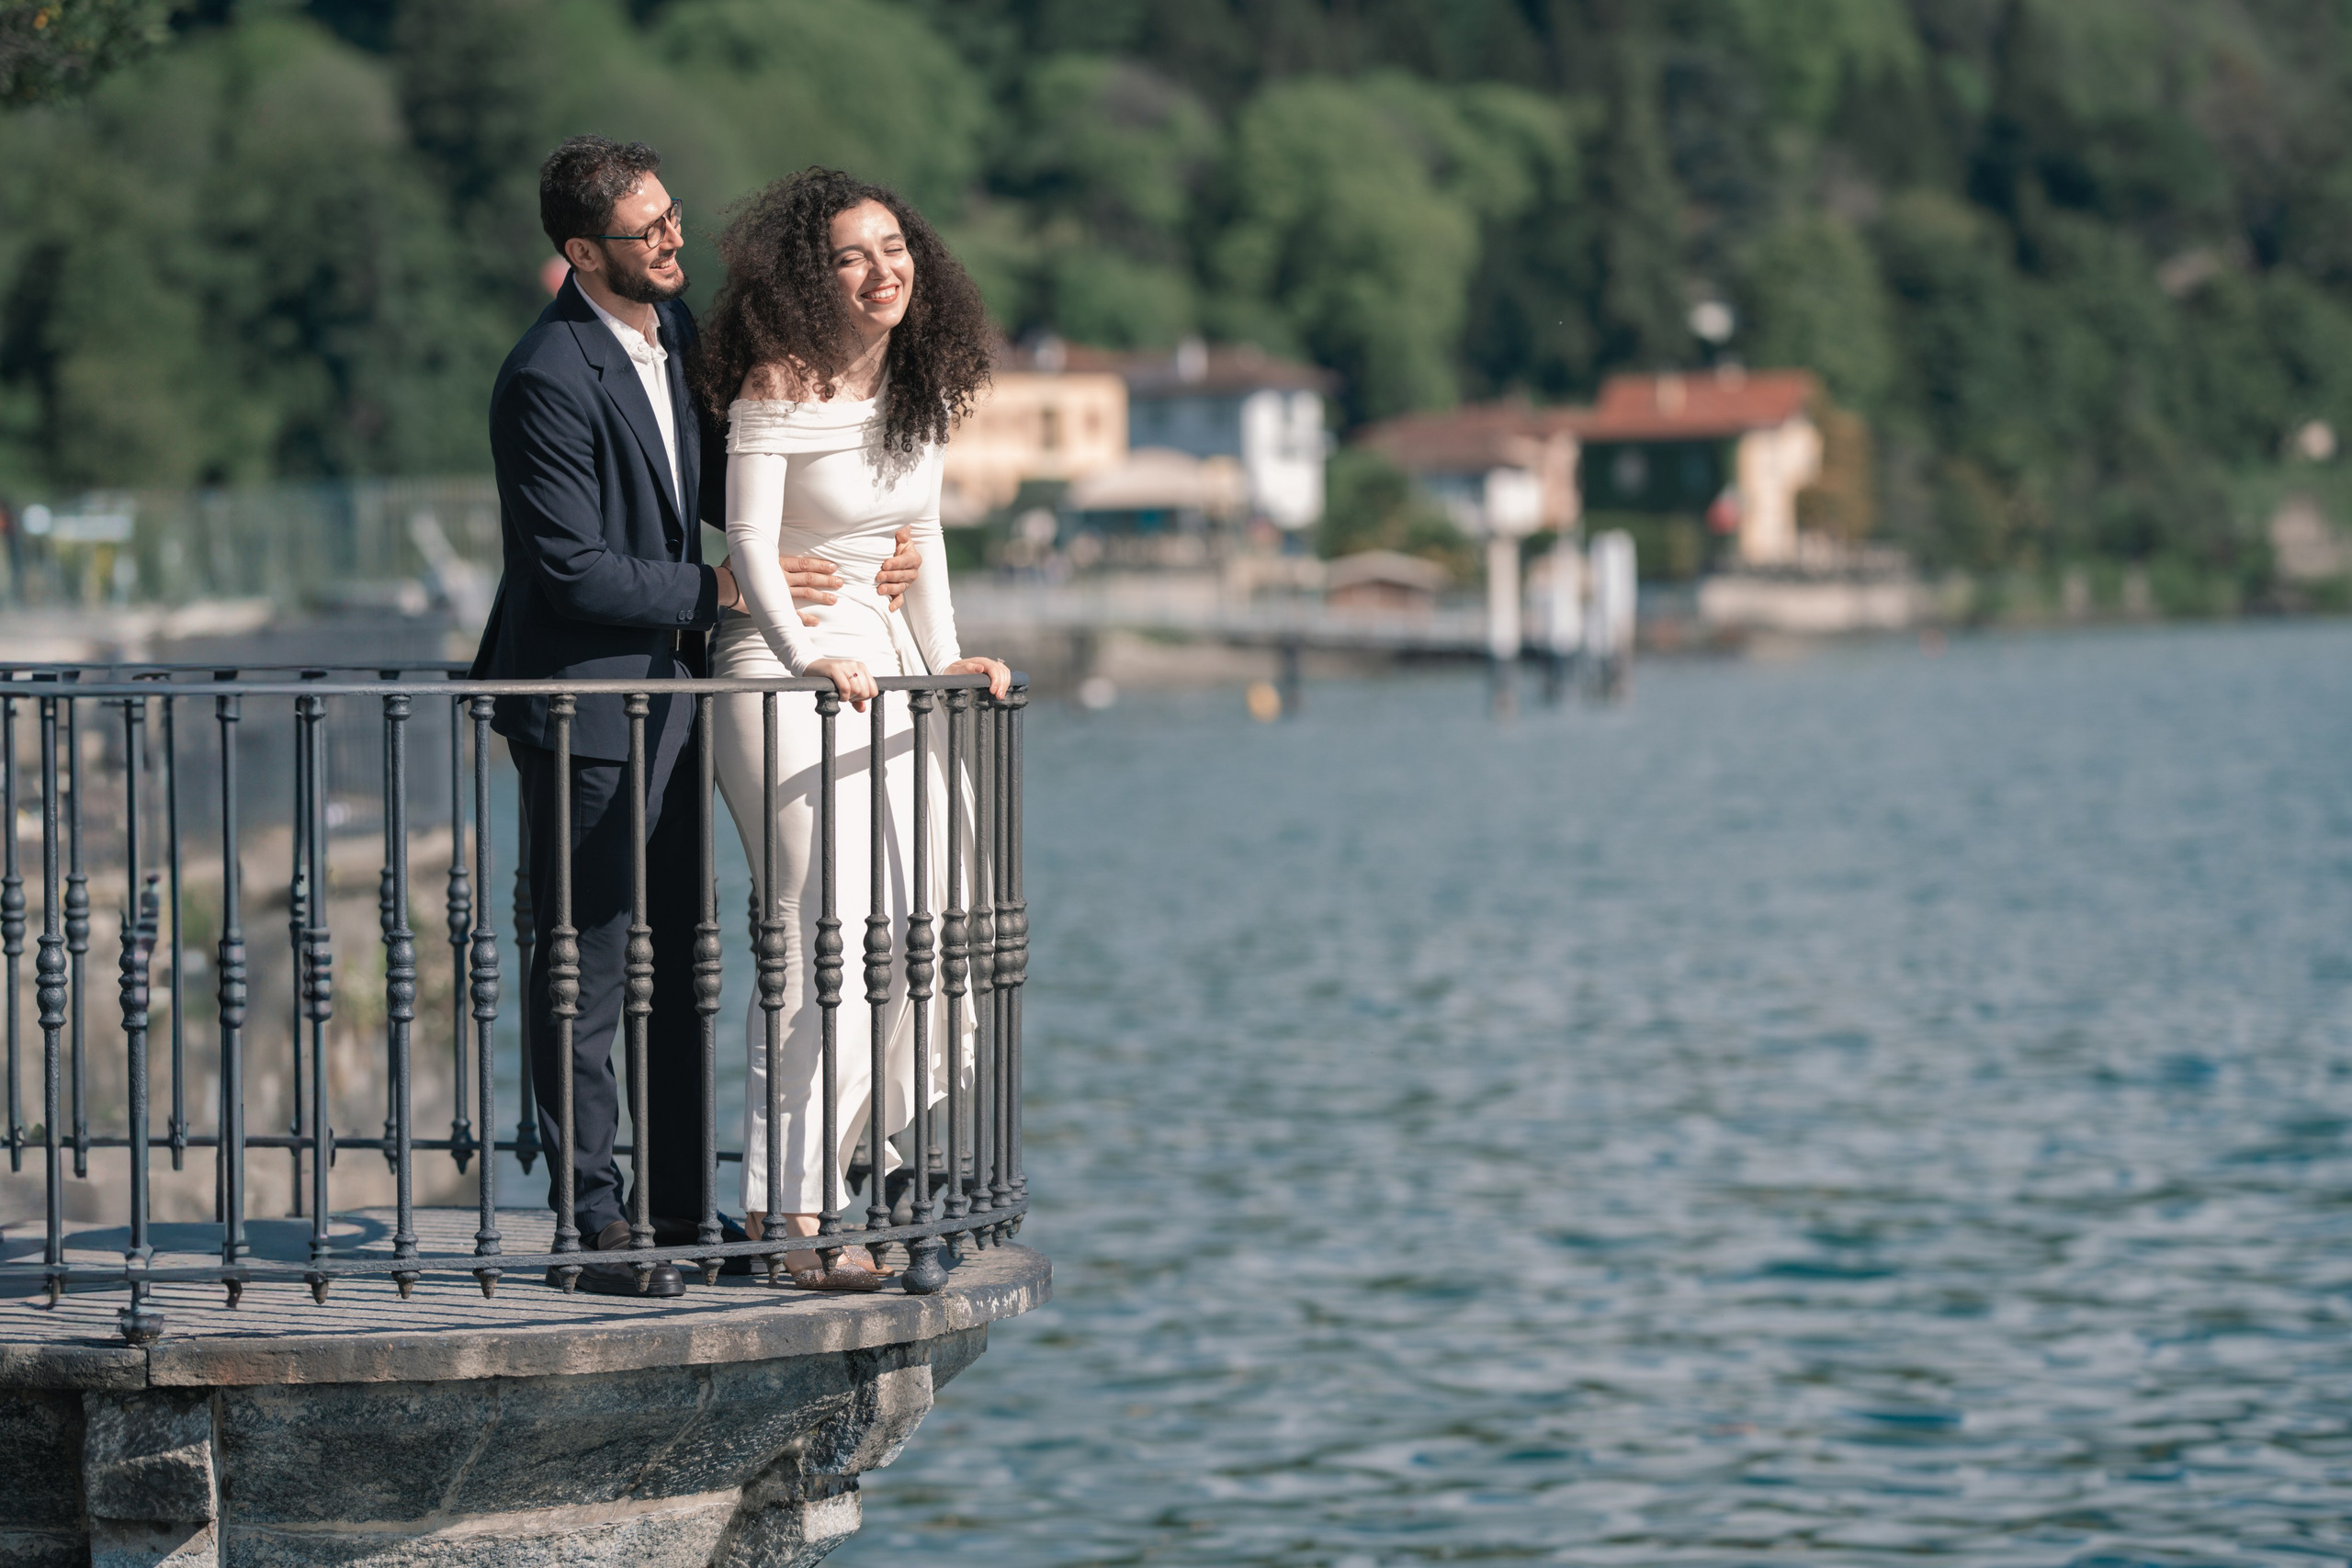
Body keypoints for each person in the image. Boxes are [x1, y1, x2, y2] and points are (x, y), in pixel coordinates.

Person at [471, 138, 923, 1294]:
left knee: (676, 964)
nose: (674, 241)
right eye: (647, 231)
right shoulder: (544, 375)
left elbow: (740, 485)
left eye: (672, 217)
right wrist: (718, 589)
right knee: (585, 971)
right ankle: (592, 1227)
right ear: (583, 252)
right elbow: (570, 569)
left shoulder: (673, 333)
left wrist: (862, 541)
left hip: (679, 696)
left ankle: (679, 1210)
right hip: (582, 703)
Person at [690, 168, 1009, 1290]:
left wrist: (948, 653)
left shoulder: (921, 382)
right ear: (809, 278)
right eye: (850, 256)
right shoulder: (778, 382)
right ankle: (794, 1216)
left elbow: (922, 538)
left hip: (890, 671)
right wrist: (800, 656)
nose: (881, 270)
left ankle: (809, 1189)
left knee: (909, 931)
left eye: (893, 247)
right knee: (819, 930)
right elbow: (748, 541)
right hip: (784, 673)